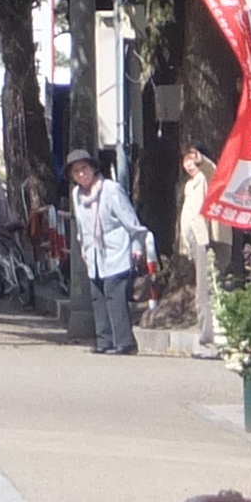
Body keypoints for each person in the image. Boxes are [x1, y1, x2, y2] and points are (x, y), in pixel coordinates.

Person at [66, 150, 142, 356]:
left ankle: (125, 342)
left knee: (114, 294)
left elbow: (130, 219)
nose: (81, 174)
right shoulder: (76, 195)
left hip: (116, 248)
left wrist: (137, 245)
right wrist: (84, 247)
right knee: (97, 295)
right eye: (76, 172)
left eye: (84, 169)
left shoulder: (111, 190)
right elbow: (82, 226)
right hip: (94, 253)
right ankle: (104, 340)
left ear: (93, 168)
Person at [176, 148, 223, 357]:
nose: (189, 164)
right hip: (197, 244)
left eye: (193, 160)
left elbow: (211, 169)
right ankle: (209, 339)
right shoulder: (189, 185)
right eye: (186, 160)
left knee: (207, 293)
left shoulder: (206, 177)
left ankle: (211, 342)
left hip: (209, 242)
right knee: (204, 291)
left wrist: (201, 159)